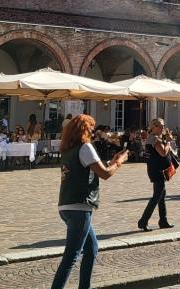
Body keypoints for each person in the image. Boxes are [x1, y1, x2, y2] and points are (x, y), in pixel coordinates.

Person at [50, 114, 128, 289]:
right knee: (71, 256)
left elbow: (92, 168)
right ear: (84, 130)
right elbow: (105, 174)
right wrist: (119, 162)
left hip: (66, 204)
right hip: (79, 205)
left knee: (92, 248)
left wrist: (111, 162)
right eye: (91, 129)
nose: (93, 133)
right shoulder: (85, 147)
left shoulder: (68, 149)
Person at [138, 118, 175, 231]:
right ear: (153, 127)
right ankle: (143, 221)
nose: (162, 127)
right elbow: (163, 153)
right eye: (159, 125)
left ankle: (163, 220)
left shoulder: (155, 138)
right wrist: (168, 141)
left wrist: (166, 139)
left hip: (157, 169)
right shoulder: (154, 139)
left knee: (161, 195)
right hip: (157, 171)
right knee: (157, 196)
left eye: (163, 125)